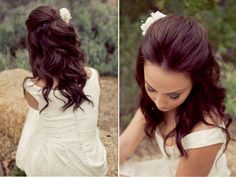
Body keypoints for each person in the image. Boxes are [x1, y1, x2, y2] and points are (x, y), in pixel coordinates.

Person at [120, 11, 232, 177]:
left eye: (174, 95)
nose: (159, 103)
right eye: (151, 88)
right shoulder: (154, 102)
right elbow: (123, 147)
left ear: (196, 82)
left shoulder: (205, 134)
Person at [15, 6, 107, 176]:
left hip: (56, 168)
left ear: (34, 45)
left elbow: (37, 111)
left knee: (39, 121)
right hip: (95, 164)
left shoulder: (32, 88)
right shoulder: (93, 75)